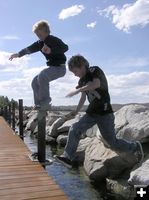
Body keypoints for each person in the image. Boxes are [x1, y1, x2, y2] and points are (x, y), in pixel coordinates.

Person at [55, 55, 144, 168]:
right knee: (74, 128)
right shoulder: (82, 80)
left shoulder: (94, 70)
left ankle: (135, 146)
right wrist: (76, 111)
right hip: (91, 112)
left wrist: (78, 90)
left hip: (105, 112)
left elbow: (96, 84)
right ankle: (67, 157)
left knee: (112, 143)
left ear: (82, 66)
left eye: (75, 71)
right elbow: (83, 98)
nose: (75, 74)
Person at [9, 20, 68, 110]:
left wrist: (51, 50)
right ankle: (38, 104)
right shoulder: (39, 43)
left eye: (40, 34)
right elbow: (29, 49)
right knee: (34, 82)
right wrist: (18, 54)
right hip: (52, 68)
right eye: (37, 35)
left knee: (42, 76)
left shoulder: (54, 40)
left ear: (46, 32)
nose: (38, 37)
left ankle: (45, 102)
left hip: (60, 68)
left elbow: (65, 47)